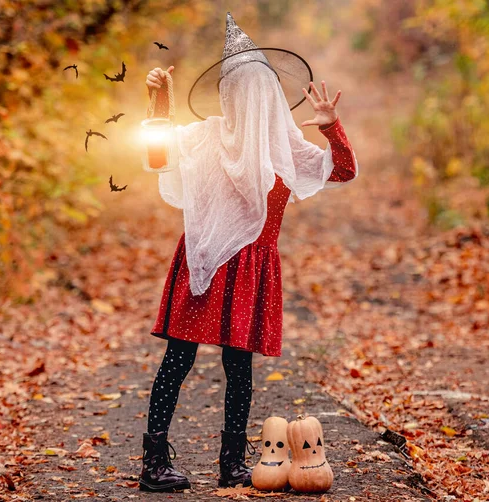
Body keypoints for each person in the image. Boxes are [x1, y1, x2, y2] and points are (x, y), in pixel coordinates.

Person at [139, 12, 358, 493]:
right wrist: (159, 102)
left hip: (252, 267)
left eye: (261, 92)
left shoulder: (286, 148)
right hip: (207, 259)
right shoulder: (206, 136)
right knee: (179, 359)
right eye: (242, 92)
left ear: (272, 97)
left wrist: (331, 126)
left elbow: (341, 171)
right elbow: (158, 155)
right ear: (229, 96)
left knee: (239, 368)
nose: (254, 102)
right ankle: (154, 463)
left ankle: (232, 463)